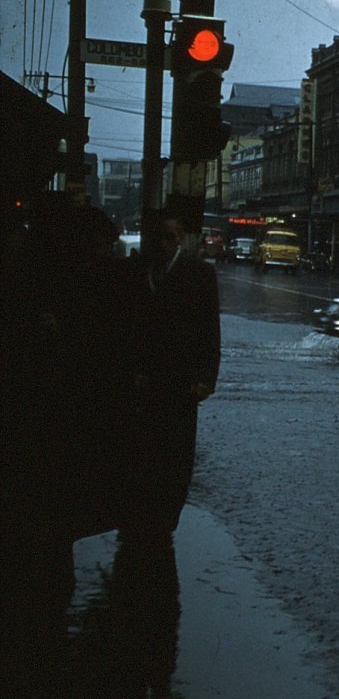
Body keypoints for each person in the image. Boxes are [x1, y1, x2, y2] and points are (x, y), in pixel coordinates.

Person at [129, 214, 221, 540]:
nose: (165, 244)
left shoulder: (199, 273)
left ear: (180, 238)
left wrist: (206, 377)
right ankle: (147, 512)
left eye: (170, 237)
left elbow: (210, 330)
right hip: (148, 377)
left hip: (182, 378)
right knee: (147, 446)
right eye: (160, 238)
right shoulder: (141, 270)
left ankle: (167, 516)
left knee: (178, 450)